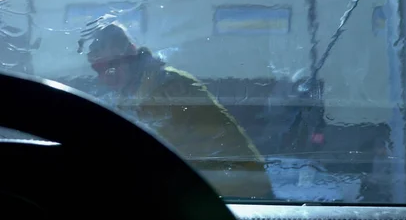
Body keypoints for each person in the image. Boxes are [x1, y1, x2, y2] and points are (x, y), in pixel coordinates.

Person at [78, 22, 274, 199]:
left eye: (112, 66)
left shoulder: (168, 88)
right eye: (99, 69)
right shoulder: (131, 93)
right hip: (209, 190)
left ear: (131, 53)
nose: (106, 76)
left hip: (238, 197)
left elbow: (151, 159)